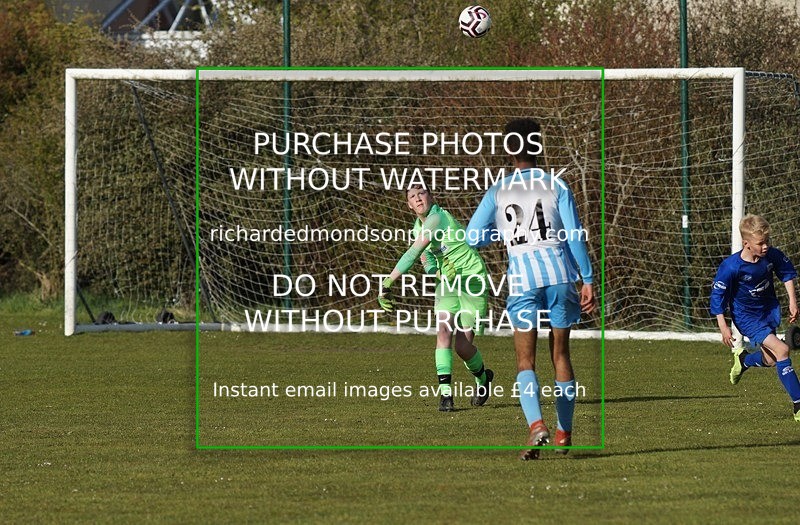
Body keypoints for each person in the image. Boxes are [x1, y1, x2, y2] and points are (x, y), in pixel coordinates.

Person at [465, 118, 595, 460]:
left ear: (509, 152)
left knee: (526, 360)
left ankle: (537, 425)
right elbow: (574, 235)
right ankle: (564, 433)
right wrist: (588, 278)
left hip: (522, 277)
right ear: (538, 147)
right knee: (561, 355)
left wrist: (505, 235)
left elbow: (472, 237)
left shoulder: (499, 190)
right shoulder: (556, 185)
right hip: (560, 275)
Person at [378, 184, 493, 412]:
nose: (418, 197)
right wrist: (439, 273)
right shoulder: (416, 228)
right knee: (443, 331)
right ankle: (446, 397)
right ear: (409, 205)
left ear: (431, 197)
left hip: (472, 279)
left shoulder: (437, 218)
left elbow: (412, 253)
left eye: (422, 192)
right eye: (412, 196)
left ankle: (482, 379)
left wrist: (387, 282)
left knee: (462, 346)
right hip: (448, 283)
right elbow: (427, 262)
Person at [710, 214, 800, 422]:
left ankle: (744, 360)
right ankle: (798, 404)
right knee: (783, 349)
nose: (766, 246)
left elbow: (786, 273)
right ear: (746, 243)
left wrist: (793, 301)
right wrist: (723, 326)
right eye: (761, 243)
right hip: (747, 318)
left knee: (770, 359)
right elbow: (718, 297)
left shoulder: (770, 255)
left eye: (767, 241)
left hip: (768, 311)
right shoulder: (731, 267)